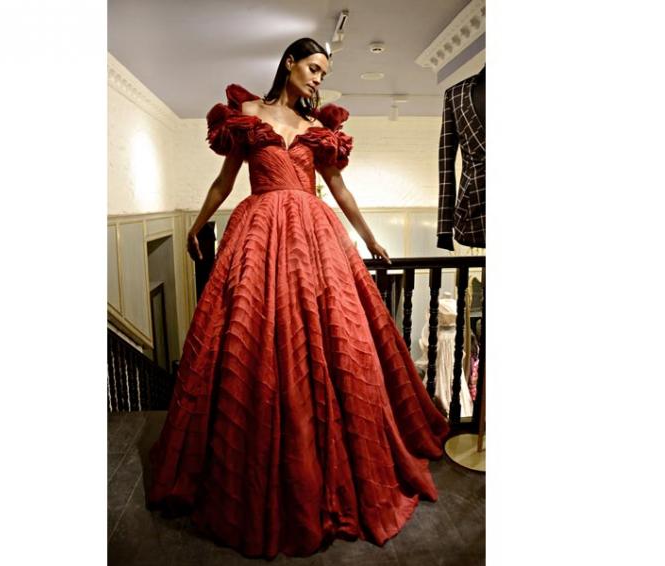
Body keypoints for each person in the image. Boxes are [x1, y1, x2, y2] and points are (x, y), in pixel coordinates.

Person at [147, 37, 449, 559]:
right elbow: (225, 182)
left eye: (323, 73)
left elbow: (339, 188)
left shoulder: (317, 128)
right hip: (258, 233)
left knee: (336, 336)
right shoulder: (247, 116)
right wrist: (197, 225)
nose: (318, 79)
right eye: (313, 68)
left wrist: (369, 238)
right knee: (248, 337)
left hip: (315, 239)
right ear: (289, 63)